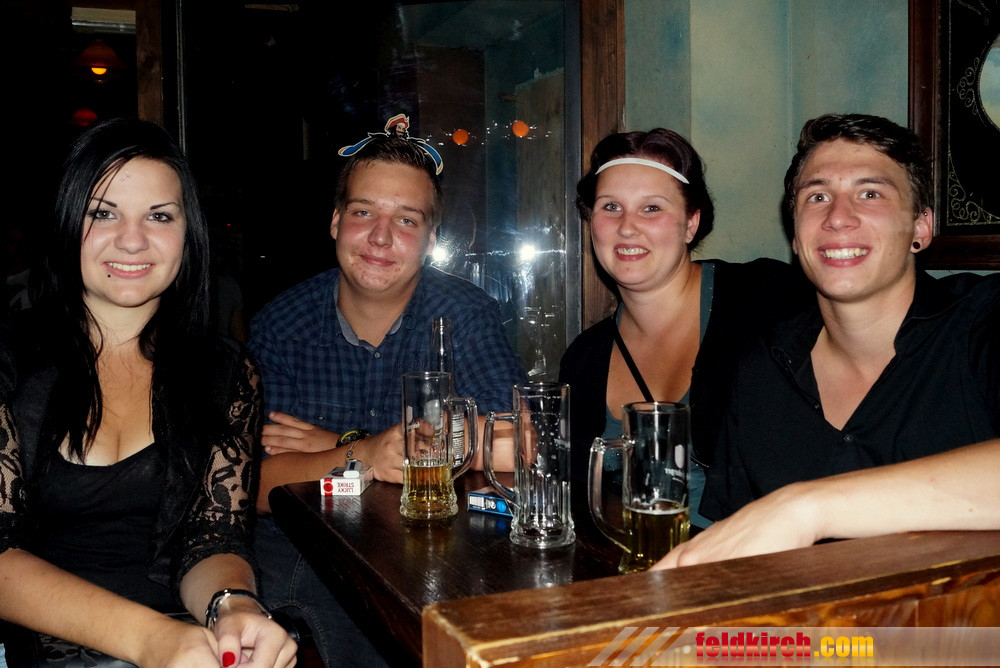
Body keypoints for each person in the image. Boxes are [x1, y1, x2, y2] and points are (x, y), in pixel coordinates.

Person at [0, 118, 296, 667]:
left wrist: (232, 607)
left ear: (188, 233)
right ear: (67, 222)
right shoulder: (9, 360)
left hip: (185, 647)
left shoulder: (226, 371)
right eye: (103, 213)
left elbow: (212, 539)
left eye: (159, 216)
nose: (132, 240)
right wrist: (150, 640)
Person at [654, 113, 1000, 569]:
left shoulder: (983, 322)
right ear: (796, 235)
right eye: (817, 197)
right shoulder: (759, 369)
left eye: (870, 193)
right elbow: (736, 554)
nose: (838, 217)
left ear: (921, 227)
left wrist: (806, 509)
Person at [248, 115, 526, 666]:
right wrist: (367, 453)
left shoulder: (465, 314)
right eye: (363, 212)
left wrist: (338, 447)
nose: (380, 237)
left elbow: (517, 444)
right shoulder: (281, 324)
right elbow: (255, 485)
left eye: (406, 219)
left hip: (436, 548)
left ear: (431, 239)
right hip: (310, 555)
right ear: (335, 222)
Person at [558, 128, 811, 529]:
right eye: (611, 207)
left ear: (691, 223)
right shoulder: (585, 358)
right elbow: (574, 490)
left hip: (760, 558)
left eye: (651, 208)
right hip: (637, 558)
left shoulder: (766, 300)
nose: (627, 227)